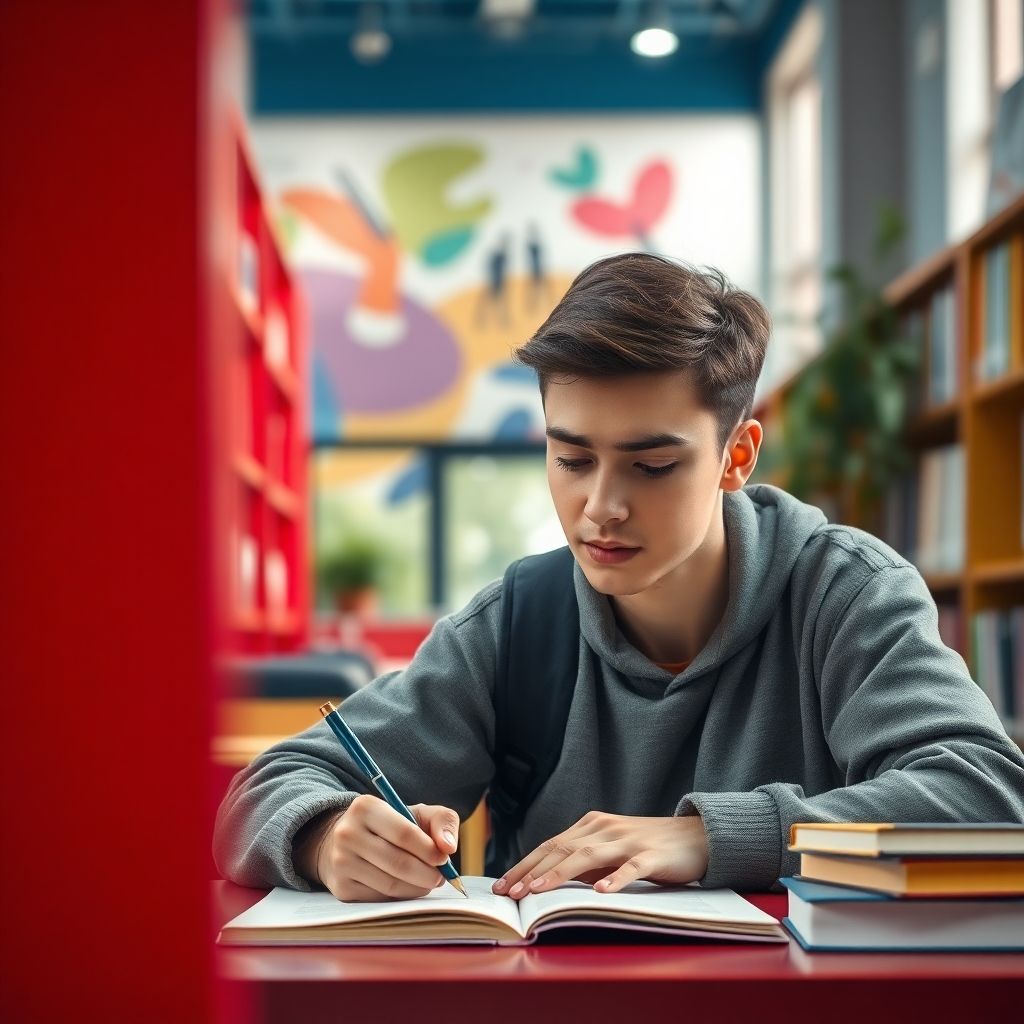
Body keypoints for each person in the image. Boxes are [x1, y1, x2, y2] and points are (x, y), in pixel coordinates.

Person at [214, 253, 1024, 903]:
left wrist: (710, 837)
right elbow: (260, 792)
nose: (601, 507)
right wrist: (325, 836)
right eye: (571, 458)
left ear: (735, 456)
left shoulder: (844, 594)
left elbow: (989, 796)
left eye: (652, 465)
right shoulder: (515, 624)